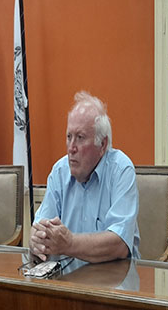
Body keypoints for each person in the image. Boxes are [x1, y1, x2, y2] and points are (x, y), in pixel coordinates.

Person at [29, 91, 140, 263]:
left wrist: (70, 243)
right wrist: (36, 240)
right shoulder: (59, 171)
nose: (71, 148)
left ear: (102, 144)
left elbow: (119, 244)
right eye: (69, 137)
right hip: (66, 276)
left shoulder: (121, 170)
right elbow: (39, 228)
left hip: (114, 276)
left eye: (80, 138)